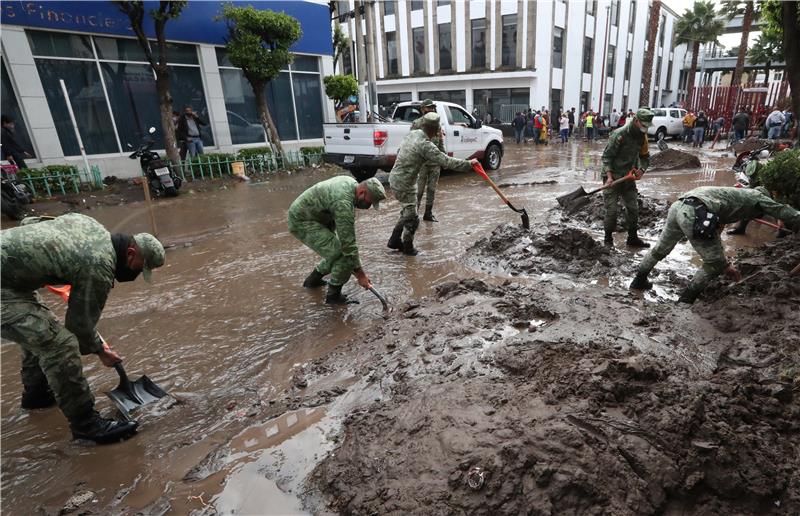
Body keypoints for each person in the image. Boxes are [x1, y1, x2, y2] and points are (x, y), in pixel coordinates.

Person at [0, 214, 165, 444]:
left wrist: (40, 262)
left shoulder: (90, 224)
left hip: (10, 280)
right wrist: (101, 351)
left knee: (41, 326)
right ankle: (87, 427)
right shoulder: (100, 265)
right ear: (130, 253)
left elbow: (30, 223)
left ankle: (36, 396)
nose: (137, 275)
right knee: (59, 344)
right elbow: (79, 328)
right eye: (141, 268)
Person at [630, 186, 800, 303]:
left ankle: (638, 281)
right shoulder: (757, 198)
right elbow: (781, 210)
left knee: (661, 249)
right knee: (712, 265)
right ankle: (686, 300)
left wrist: (725, 264)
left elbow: (715, 236)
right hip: (695, 212)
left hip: (678, 206)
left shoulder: (731, 195)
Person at [388, 113, 477, 255]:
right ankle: (408, 247)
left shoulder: (414, 133)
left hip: (396, 178)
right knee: (413, 218)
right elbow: (447, 162)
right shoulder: (426, 146)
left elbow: (400, 150)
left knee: (408, 212)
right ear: (436, 130)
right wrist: (469, 164)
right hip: (405, 183)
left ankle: (394, 240)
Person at [288, 176, 386, 304]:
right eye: (369, 202)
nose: (368, 206)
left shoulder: (351, 184)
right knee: (344, 258)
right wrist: (360, 275)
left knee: (336, 252)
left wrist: (357, 268)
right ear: (362, 192)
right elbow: (348, 245)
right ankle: (334, 297)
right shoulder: (343, 203)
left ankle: (313, 281)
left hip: (318, 216)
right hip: (302, 220)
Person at [601, 108, 654, 248]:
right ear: (636, 121)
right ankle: (607, 240)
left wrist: (641, 170)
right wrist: (609, 177)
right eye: (644, 125)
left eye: (648, 126)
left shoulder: (642, 137)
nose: (646, 129)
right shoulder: (619, 135)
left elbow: (645, 157)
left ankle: (632, 238)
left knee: (633, 209)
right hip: (611, 176)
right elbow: (606, 157)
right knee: (611, 211)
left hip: (628, 177)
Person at [412, 99, 444, 221]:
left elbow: (440, 141)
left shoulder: (436, 123)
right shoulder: (417, 124)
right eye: (428, 107)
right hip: (422, 163)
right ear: (422, 109)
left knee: (432, 189)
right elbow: (412, 143)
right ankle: (414, 215)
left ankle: (428, 213)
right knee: (419, 191)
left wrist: (443, 157)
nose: (431, 109)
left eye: (432, 107)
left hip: (435, 162)